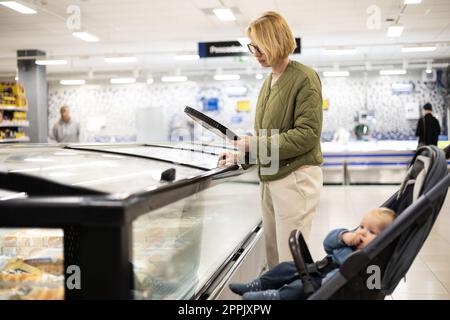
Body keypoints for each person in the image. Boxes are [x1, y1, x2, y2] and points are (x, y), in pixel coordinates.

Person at [219, 12, 323, 269]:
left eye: (259, 45)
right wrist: (241, 156)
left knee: (291, 260)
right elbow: (266, 137)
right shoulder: (268, 82)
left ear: (276, 41)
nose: (255, 52)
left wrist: (253, 145)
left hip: (294, 179)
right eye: (252, 46)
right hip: (270, 177)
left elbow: (307, 135)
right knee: (274, 256)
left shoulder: (304, 78)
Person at [229, 207, 396, 300]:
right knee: (286, 267)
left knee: (299, 287)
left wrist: (331, 282)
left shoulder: (369, 261)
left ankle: (274, 298)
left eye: (371, 232)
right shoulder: (352, 243)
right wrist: (344, 236)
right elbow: (328, 244)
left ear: (384, 240)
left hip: (328, 285)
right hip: (319, 269)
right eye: (361, 226)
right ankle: (258, 284)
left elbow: (353, 278)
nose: (362, 233)